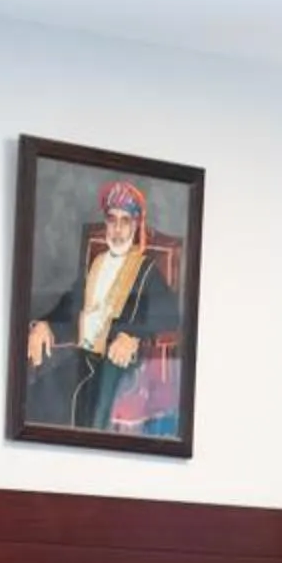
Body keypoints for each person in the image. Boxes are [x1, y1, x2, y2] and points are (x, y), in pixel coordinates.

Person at [24, 180, 181, 432]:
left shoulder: (147, 270)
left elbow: (171, 315)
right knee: (38, 391)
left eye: (125, 221)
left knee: (96, 409)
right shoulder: (96, 264)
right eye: (112, 220)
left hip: (119, 363)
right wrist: (45, 325)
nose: (117, 230)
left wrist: (133, 336)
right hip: (82, 355)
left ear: (135, 225)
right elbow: (69, 308)